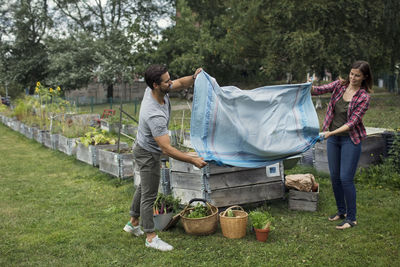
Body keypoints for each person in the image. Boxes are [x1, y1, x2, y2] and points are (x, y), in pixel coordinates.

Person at [123, 65, 207, 251]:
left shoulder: (155, 90)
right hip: (147, 152)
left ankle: (132, 223)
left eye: (170, 78)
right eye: (167, 81)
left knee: (144, 187)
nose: (171, 82)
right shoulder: (154, 114)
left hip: (143, 148)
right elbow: (167, 149)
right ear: (155, 85)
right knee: (149, 194)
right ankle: (150, 237)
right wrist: (193, 160)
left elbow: (180, 83)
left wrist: (194, 77)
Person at [311, 60, 372, 230]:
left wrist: (330, 133)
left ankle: (352, 219)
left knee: (346, 179)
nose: (353, 77)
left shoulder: (363, 97)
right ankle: (341, 212)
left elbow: (352, 123)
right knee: (335, 177)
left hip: (350, 139)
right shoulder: (339, 85)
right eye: (351, 73)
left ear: (364, 77)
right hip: (333, 140)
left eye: (357, 75)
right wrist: (305, 87)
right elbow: (318, 90)